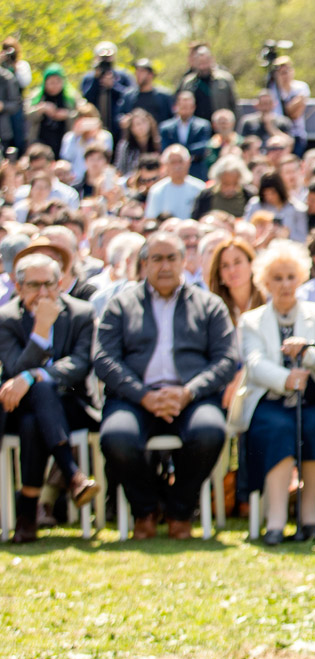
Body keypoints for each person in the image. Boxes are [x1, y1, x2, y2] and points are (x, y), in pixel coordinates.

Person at [95, 231, 238, 540]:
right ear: (144, 264)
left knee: (210, 432)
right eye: (156, 258)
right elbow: (104, 358)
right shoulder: (120, 304)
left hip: (191, 397)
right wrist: (143, 395)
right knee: (116, 437)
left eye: (171, 258)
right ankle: (145, 510)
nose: (164, 266)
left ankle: (180, 511)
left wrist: (189, 392)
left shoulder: (208, 304)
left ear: (184, 261)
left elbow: (227, 359)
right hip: (135, 397)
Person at [235, 240, 315, 545]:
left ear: (301, 278)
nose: (284, 285)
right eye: (277, 278)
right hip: (270, 399)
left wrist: (306, 353)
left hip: (312, 399)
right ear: (265, 282)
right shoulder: (251, 320)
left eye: (290, 277)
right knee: (277, 429)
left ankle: (309, 516)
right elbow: (254, 364)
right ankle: (276, 519)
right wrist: (286, 378)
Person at [0, 253, 99, 542]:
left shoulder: (80, 313)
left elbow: (80, 364)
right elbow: (15, 367)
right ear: (19, 288)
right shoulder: (6, 319)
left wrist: (34, 376)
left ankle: (27, 516)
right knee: (32, 418)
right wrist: (41, 331)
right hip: (18, 408)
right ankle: (73, 476)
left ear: (60, 285)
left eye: (49, 284)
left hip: (71, 404)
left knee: (40, 398)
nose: (43, 293)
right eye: (34, 285)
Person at [176, 44, 239, 123]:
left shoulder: (225, 79)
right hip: (197, 128)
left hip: (219, 125)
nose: (203, 65)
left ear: (212, 59)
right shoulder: (188, 82)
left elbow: (234, 105)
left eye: (205, 60)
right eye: (199, 61)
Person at [158, 91, 213, 181]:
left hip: (196, 170)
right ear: (176, 107)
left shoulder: (203, 125)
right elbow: (165, 148)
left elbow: (203, 146)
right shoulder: (166, 127)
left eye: (188, 107)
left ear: (193, 107)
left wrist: (179, 152)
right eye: (182, 106)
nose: (185, 109)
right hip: (172, 171)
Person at [267, 56, 310, 153]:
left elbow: (294, 114)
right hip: (278, 132)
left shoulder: (301, 87)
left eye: (286, 72)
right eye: (281, 73)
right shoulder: (272, 90)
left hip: (296, 133)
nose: (284, 76)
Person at [193, 154, 253, 219]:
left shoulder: (248, 196)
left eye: (235, 184)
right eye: (226, 184)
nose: (230, 188)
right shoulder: (206, 196)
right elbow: (197, 219)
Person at [117, 59, 173, 125]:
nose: (138, 74)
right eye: (137, 71)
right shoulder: (129, 96)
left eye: (141, 71)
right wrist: (123, 120)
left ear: (151, 74)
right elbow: (119, 115)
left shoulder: (164, 97)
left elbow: (172, 119)